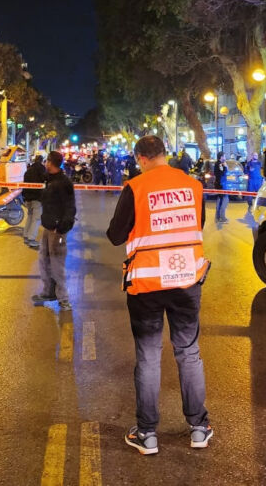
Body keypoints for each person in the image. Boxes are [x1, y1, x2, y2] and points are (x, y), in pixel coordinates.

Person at [106, 135, 213, 455]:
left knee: (149, 357)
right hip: (186, 281)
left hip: (148, 284)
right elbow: (199, 224)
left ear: (141, 158)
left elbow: (115, 235)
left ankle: (148, 434)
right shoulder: (193, 186)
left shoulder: (136, 187)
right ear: (165, 155)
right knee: (188, 352)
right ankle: (198, 427)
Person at [31, 151, 76, 311]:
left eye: (47, 161)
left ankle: (63, 299)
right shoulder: (50, 180)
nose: (45, 164)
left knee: (57, 263)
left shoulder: (63, 182)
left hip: (57, 230)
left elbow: (70, 206)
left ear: (51, 162)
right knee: (44, 259)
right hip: (48, 226)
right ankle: (48, 291)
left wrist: (62, 226)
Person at [22, 155, 47, 249]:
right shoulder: (42, 170)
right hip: (37, 198)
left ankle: (26, 236)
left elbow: (24, 184)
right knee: (36, 219)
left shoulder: (28, 170)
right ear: (42, 161)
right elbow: (45, 181)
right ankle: (31, 239)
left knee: (30, 216)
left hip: (28, 198)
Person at [213, 153, 228, 223]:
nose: (225, 157)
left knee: (221, 201)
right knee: (222, 201)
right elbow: (222, 173)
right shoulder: (219, 164)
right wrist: (225, 167)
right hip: (221, 184)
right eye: (224, 156)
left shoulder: (219, 163)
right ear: (221, 157)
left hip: (221, 183)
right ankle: (220, 218)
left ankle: (219, 217)